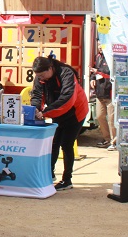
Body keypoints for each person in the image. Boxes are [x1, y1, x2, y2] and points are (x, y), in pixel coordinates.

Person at [30, 57, 89, 191]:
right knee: (54, 142)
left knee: (67, 144)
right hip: (58, 112)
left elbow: (67, 98)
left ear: (50, 68)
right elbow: (37, 94)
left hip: (76, 112)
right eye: (38, 76)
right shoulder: (40, 77)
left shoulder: (66, 73)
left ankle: (67, 179)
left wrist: (46, 112)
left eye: (42, 75)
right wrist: (35, 108)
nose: (41, 78)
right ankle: (48, 175)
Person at [91, 50, 116, 150]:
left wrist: (98, 72)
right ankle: (106, 138)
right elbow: (95, 70)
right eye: (99, 43)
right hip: (99, 92)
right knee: (100, 116)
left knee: (111, 119)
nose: (100, 46)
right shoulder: (98, 57)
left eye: (102, 44)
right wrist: (92, 77)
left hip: (110, 92)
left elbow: (109, 72)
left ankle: (114, 141)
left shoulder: (112, 57)